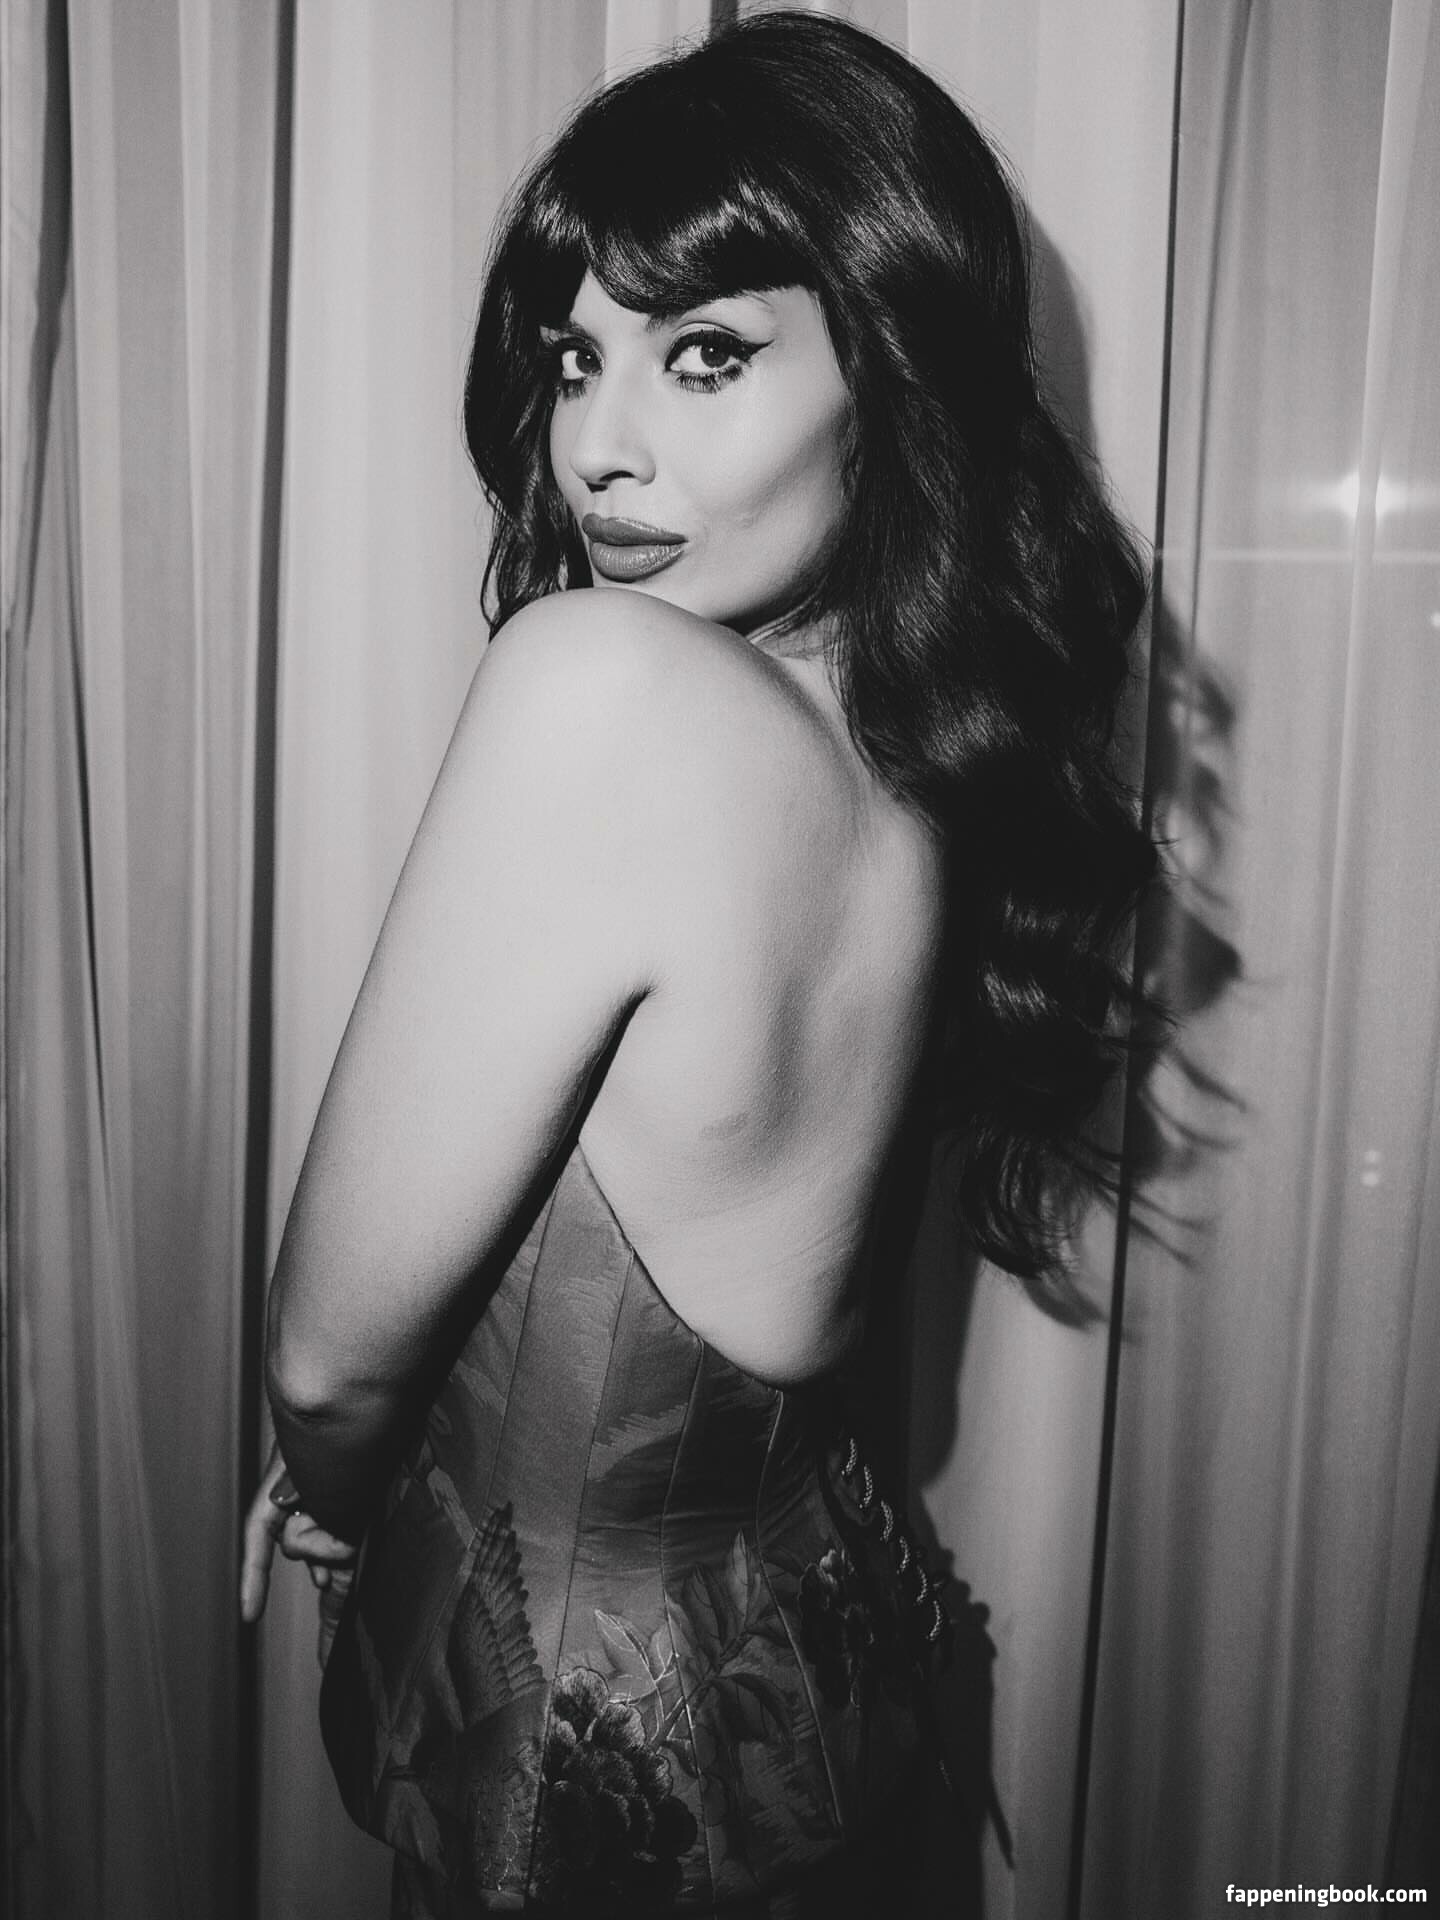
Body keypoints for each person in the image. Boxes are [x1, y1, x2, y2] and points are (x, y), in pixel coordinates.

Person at [240, 12, 1155, 1915]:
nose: (593, 445)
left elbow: (327, 1359)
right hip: (817, 1695)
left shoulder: (608, 687)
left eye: (707, 355)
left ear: (890, 371)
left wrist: (337, 1495)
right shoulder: (923, 751)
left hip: (591, 1801)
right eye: (576, 357)